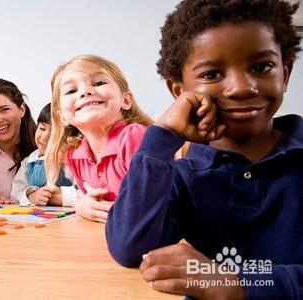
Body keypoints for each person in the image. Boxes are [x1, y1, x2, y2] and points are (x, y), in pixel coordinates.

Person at [105, 0, 303, 299]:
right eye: (211, 74)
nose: (240, 87)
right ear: (179, 91)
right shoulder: (184, 175)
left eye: (261, 67)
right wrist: (162, 135)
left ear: (285, 74)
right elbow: (129, 248)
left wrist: (238, 282)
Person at [44, 54, 153, 223]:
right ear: (62, 117)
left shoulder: (134, 137)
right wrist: (82, 206)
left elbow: (150, 207)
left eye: (99, 83)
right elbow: (95, 203)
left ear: (126, 100)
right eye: (71, 90)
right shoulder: (74, 156)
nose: (86, 91)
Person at [11, 103, 77, 207]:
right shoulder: (29, 162)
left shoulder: (73, 160)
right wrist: (31, 197)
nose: (45, 137)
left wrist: (62, 197)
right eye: (42, 128)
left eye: (55, 133)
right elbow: (16, 193)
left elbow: (84, 193)